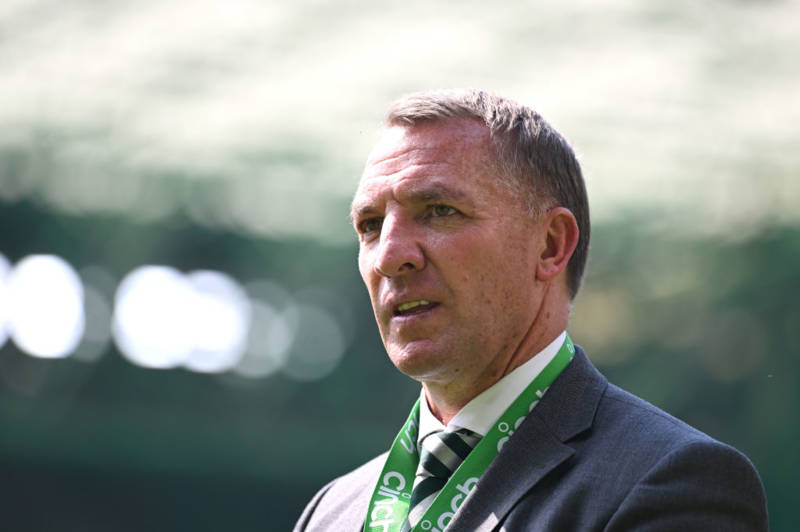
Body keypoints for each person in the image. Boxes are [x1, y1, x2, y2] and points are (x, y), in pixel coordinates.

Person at [293, 89, 768, 531]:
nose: (389, 255)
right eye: (371, 225)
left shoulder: (674, 483)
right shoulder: (330, 512)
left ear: (550, 245)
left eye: (439, 210)